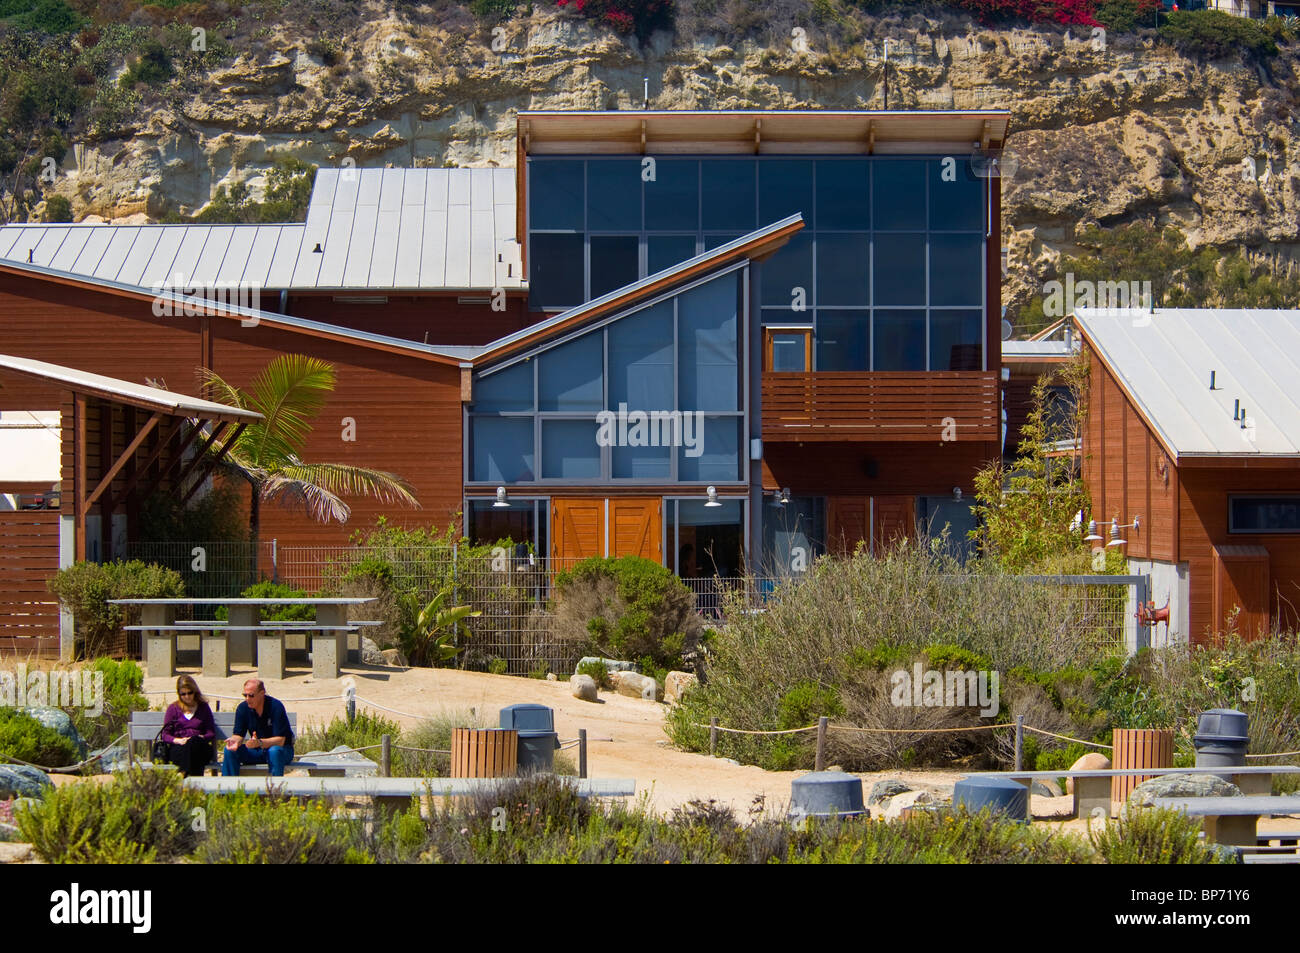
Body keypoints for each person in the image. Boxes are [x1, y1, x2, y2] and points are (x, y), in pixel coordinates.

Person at [221, 678, 295, 776]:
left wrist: (259, 743)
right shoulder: (243, 708)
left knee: (274, 751)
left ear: (262, 693)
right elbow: (238, 735)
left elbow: (280, 741)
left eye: (251, 695)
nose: (247, 699)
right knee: (229, 750)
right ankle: (229, 788)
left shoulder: (276, 706)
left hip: (282, 750)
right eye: (245, 695)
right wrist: (234, 741)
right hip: (257, 750)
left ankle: (274, 789)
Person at [162, 674, 216, 776]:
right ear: (179, 694)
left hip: (200, 746)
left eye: (190, 693)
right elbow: (165, 735)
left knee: (194, 742)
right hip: (180, 747)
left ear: (194, 691)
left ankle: (183, 773)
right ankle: (196, 787)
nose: (187, 697)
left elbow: (211, 733)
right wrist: (178, 740)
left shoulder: (203, 707)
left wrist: (201, 737)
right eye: (183, 694)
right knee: (193, 755)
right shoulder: (173, 709)